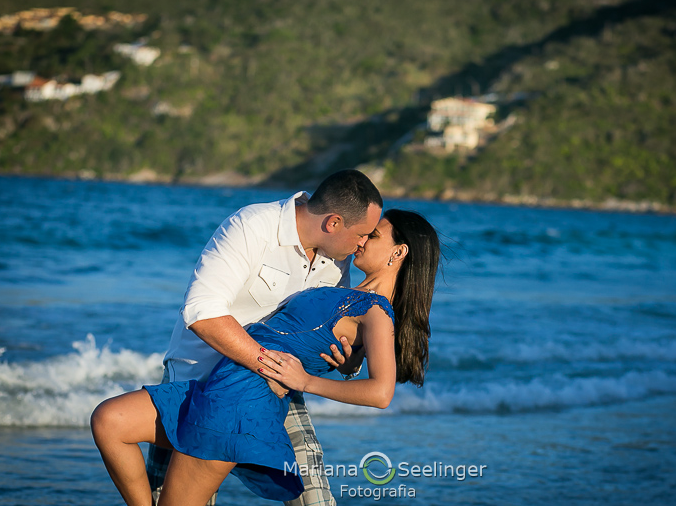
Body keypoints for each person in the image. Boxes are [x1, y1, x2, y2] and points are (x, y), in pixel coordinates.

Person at [91, 209, 441, 506]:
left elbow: (382, 392)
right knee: (110, 421)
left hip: (237, 406)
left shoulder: (377, 312)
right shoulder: (345, 286)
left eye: (374, 236)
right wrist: (349, 364)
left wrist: (305, 381)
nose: (361, 240)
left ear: (398, 253)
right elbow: (336, 351)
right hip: (218, 382)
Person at [141, 169, 383, 506]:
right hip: (196, 384)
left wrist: (347, 363)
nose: (363, 244)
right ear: (333, 223)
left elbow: (316, 342)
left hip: (274, 395)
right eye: (362, 234)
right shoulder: (253, 226)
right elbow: (202, 312)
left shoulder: (334, 262)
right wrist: (269, 367)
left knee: (315, 501)